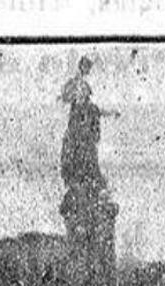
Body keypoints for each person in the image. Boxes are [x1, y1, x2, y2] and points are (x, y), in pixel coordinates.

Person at [59, 56, 120, 199]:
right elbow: (66, 97)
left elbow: (97, 110)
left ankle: (89, 188)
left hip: (81, 139)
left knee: (87, 164)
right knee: (82, 163)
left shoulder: (88, 105)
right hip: (78, 139)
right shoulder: (76, 87)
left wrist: (111, 112)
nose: (82, 96)